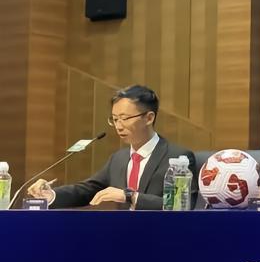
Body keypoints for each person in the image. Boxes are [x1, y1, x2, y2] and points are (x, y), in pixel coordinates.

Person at [28, 85, 197, 209]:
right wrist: (51, 195)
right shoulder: (119, 159)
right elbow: (88, 189)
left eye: (125, 118)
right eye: (115, 119)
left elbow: (181, 206)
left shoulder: (178, 158)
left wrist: (130, 196)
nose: (118, 126)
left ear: (149, 118)